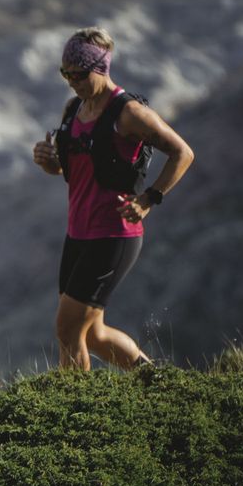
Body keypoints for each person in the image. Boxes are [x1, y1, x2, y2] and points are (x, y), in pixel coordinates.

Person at [30, 27, 195, 369]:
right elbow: (66, 170)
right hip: (77, 234)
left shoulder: (129, 113)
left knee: (67, 329)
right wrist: (49, 162)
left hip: (113, 235)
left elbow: (183, 153)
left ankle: (73, 402)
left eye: (78, 74)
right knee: (93, 335)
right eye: (65, 73)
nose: (71, 82)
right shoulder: (74, 110)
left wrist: (150, 198)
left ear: (101, 68)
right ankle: (155, 381)